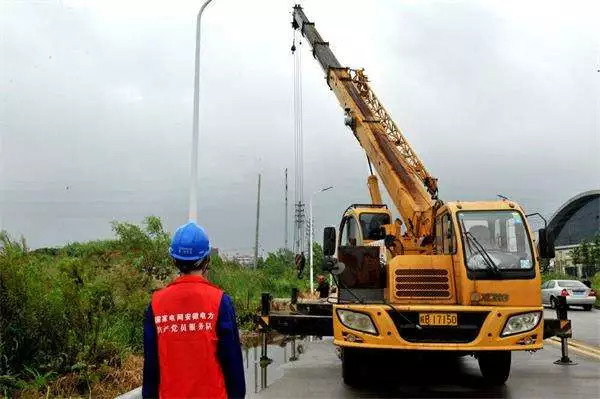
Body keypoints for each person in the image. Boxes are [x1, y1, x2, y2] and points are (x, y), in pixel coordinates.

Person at [142, 222, 245, 399]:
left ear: (174, 260)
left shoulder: (156, 305)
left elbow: (151, 369)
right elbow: (232, 364)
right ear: (206, 260)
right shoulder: (220, 302)